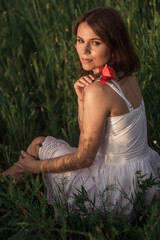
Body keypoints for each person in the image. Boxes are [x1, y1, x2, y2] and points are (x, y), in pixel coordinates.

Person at [2, 7, 160, 216]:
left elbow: (85, 158)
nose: (84, 50)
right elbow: (89, 137)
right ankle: (9, 185)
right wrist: (82, 100)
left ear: (114, 45)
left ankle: (7, 188)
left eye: (95, 43)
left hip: (113, 191)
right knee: (42, 148)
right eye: (80, 40)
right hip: (141, 177)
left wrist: (36, 168)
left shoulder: (100, 90)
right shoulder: (128, 76)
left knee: (38, 144)